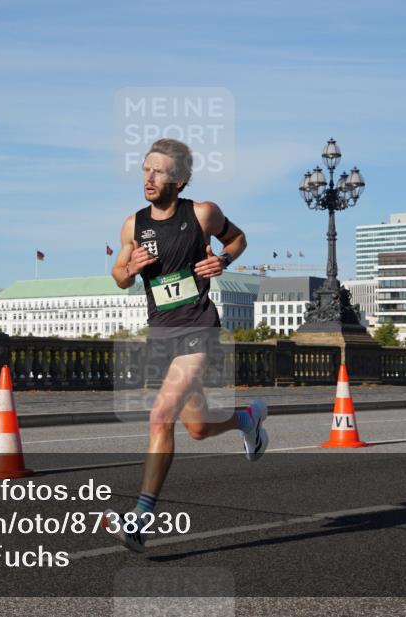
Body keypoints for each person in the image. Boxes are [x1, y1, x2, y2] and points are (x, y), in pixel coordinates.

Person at [104, 138, 266, 552]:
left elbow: (239, 238)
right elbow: (118, 274)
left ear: (178, 179)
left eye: (157, 171)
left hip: (198, 328)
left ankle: (140, 520)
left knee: (160, 418)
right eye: (145, 170)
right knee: (196, 429)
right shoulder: (133, 224)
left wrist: (224, 261)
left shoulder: (202, 213)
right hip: (160, 332)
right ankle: (246, 420)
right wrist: (130, 269)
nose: (149, 177)